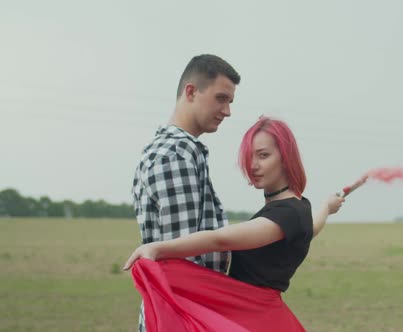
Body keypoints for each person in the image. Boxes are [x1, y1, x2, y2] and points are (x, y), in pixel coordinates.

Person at [124, 116, 345, 331]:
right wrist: (327, 207)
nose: (253, 165)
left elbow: (220, 239)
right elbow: (312, 229)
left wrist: (156, 248)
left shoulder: (288, 214)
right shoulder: (300, 208)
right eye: (250, 157)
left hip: (253, 314)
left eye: (263, 155)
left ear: (286, 157)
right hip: (250, 312)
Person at [131, 54, 241, 332]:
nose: (227, 111)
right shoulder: (175, 154)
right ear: (190, 91)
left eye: (230, 101)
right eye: (220, 98)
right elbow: (183, 262)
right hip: (181, 317)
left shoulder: (178, 151)